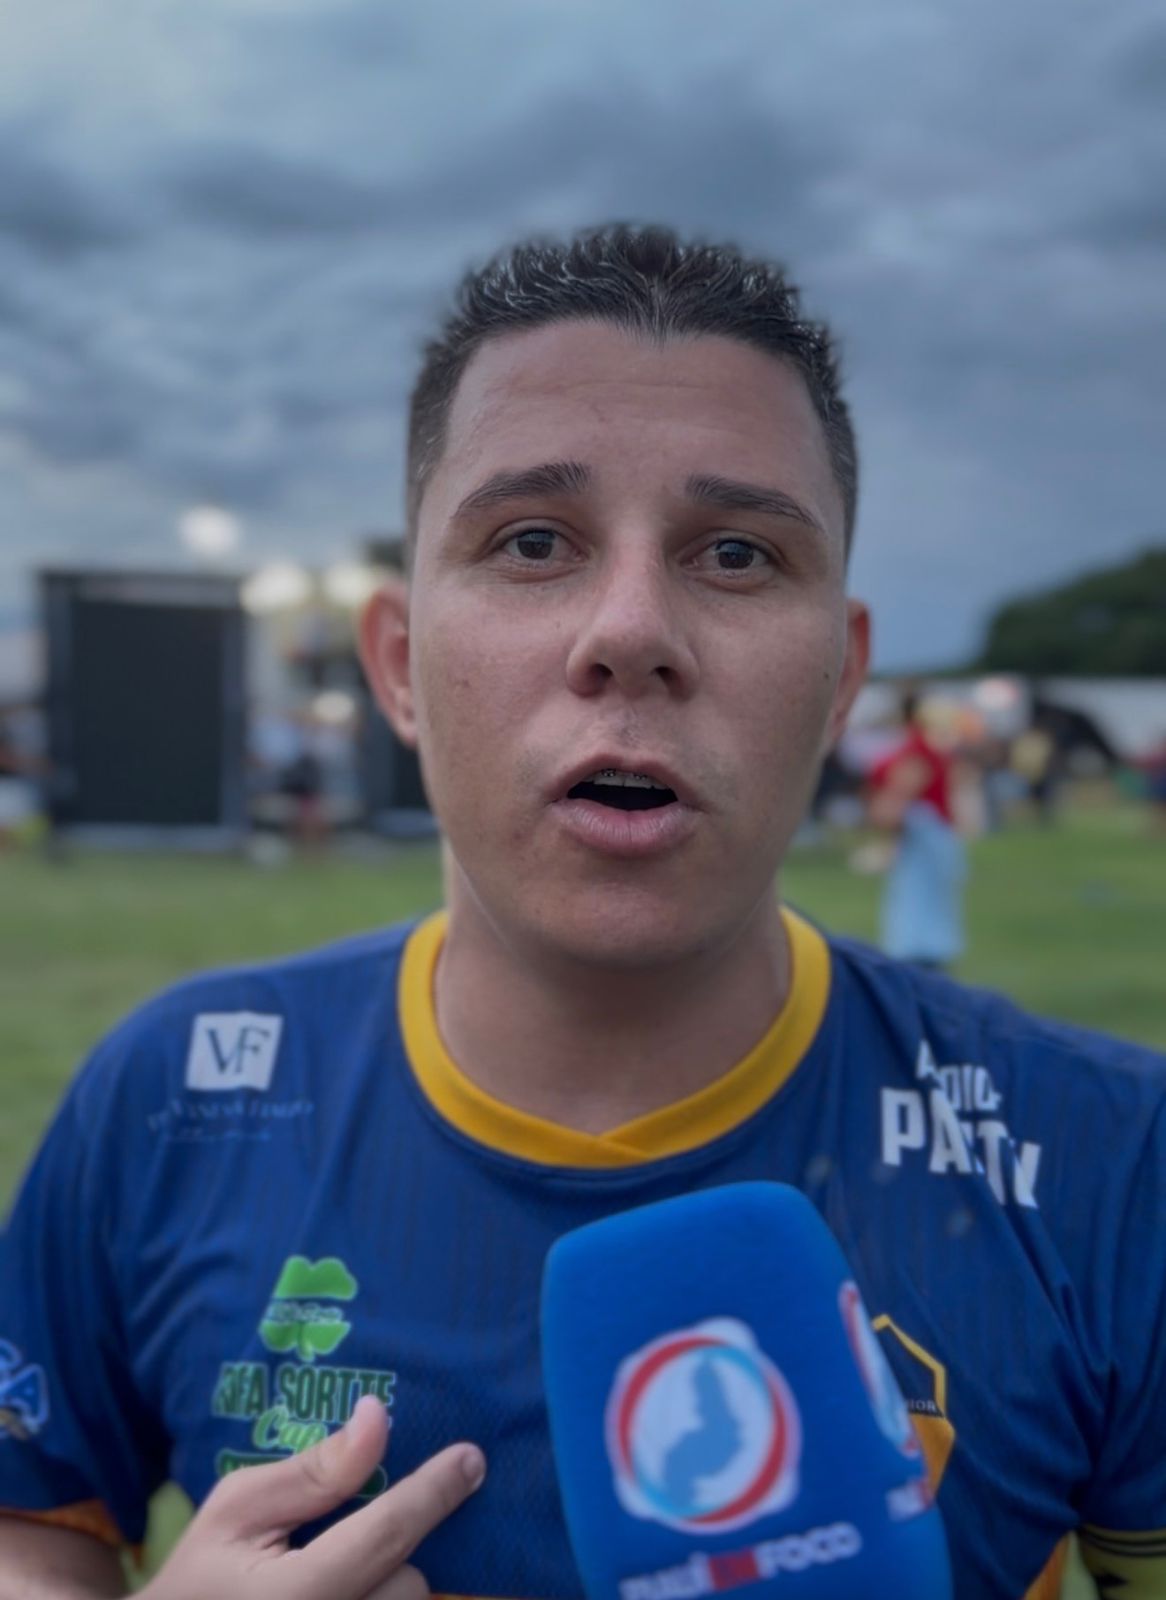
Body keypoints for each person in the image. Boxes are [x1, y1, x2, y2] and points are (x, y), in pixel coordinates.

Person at [1, 226, 1163, 1600]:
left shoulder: (1112, 1155)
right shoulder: (173, 1097)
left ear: (840, 681)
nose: (629, 631)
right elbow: (32, 1529)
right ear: (399, 665)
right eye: (533, 541)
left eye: (735, 554)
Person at [868, 689, 968, 972]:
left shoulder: (914, 750)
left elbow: (894, 803)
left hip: (924, 835)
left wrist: (880, 818)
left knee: (917, 901)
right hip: (932, 833)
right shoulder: (925, 747)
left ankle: (920, 957)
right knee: (926, 900)